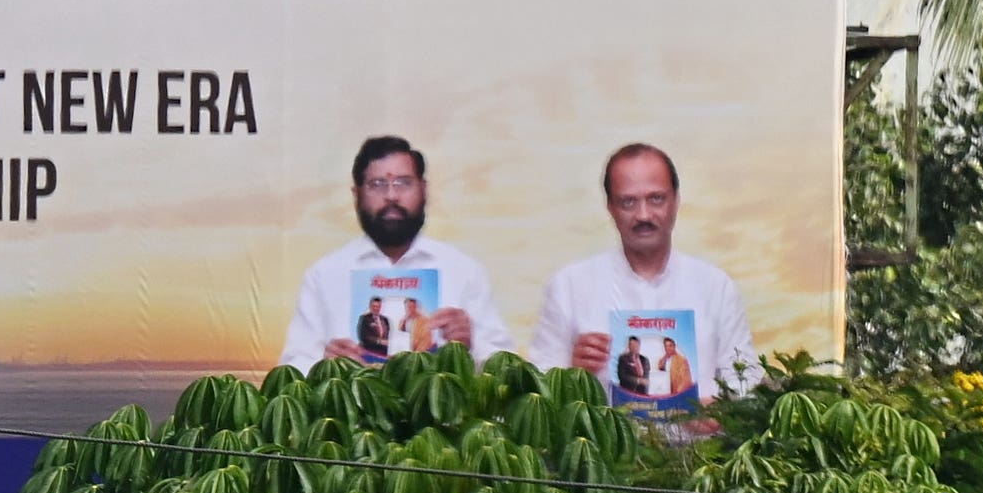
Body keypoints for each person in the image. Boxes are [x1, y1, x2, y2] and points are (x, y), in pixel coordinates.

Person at [528, 143, 757, 414]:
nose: (643, 215)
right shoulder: (568, 287)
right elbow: (537, 398)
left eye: (656, 198)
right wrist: (571, 373)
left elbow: (747, 383)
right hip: (603, 454)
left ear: (676, 201)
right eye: (628, 202)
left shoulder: (715, 287)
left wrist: (722, 411)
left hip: (703, 452)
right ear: (610, 207)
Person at [279, 135, 494, 370]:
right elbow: (292, 370)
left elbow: (507, 370)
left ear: (423, 190)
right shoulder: (323, 276)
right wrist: (324, 364)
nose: (391, 196)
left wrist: (470, 346)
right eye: (378, 184)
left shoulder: (464, 271)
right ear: (357, 195)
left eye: (403, 182)